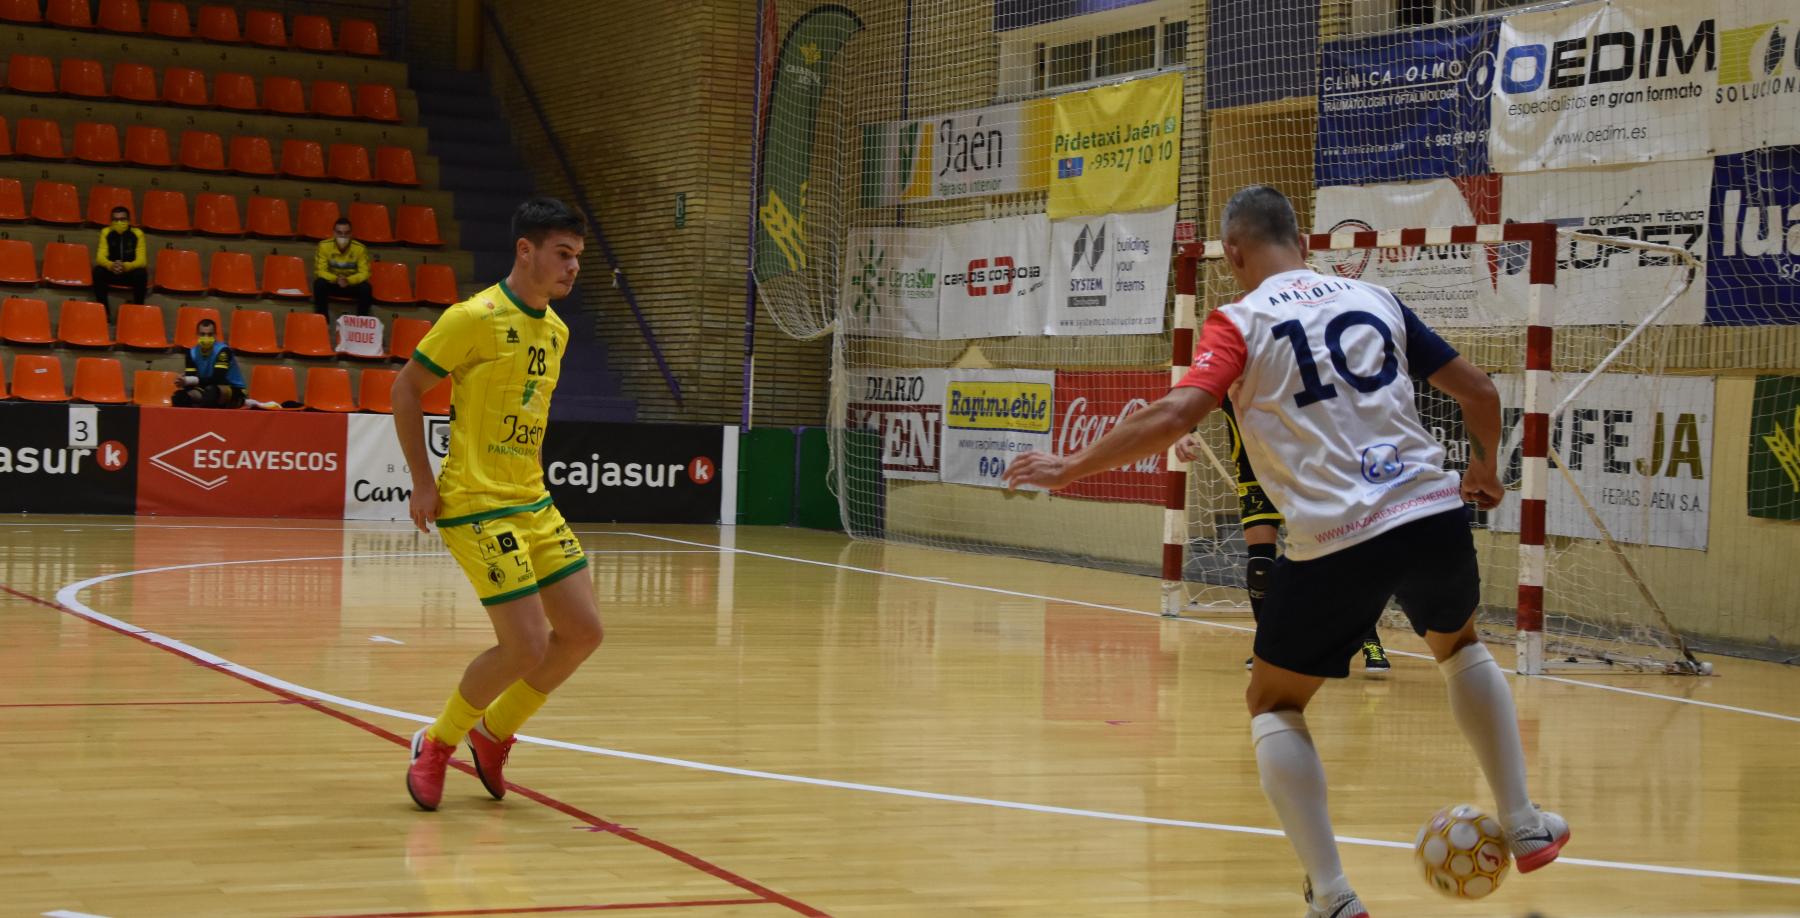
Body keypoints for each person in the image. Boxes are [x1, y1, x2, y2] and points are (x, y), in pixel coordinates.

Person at [1004, 185, 1568, 917]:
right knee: (1459, 646)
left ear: (1234, 253)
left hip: (1338, 538)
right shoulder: (1377, 299)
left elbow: (1176, 412)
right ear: (1302, 243)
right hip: (1432, 513)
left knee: (1272, 701)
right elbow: (1480, 390)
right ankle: (1523, 823)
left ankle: (1332, 895)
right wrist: (1485, 469)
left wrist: (1069, 466)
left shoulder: (1240, 321)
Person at [391, 197, 602, 811]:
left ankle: (494, 733)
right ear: (525, 250)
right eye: (563, 253)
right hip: (475, 502)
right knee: (526, 645)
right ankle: (437, 743)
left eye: (578, 256)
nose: (573, 266)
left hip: (532, 500)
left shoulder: (557, 330)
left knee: (583, 632)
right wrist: (422, 481)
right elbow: (406, 388)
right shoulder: (473, 317)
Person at [1175, 400, 1390, 674]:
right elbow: (1189, 396)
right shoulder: (1230, 377)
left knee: (1337, 560)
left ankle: (1369, 639)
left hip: (1306, 474)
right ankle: (1268, 649)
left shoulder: (1291, 376)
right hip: (1255, 477)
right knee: (1260, 568)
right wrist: (1184, 431)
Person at [171, 318, 245, 408]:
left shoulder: (223, 351)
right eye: (202, 334)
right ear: (197, 335)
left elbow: (218, 379)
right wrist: (183, 382)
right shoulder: (191, 353)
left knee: (212, 392)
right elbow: (190, 382)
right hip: (205, 388)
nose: (206, 338)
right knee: (180, 397)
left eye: (210, 334)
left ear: (215, 335)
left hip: (232, 389)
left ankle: (244, 402)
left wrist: (190, 380)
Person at [92, 205, 149, 319]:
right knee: (98, 271)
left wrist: (126, 266)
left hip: (129, 273)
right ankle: (104, 313)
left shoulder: (137, 233)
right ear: (111, 221)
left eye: (122, 219)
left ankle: (138, 312)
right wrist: (111, 265)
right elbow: (100, 257)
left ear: (128, 220)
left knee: (141, 273)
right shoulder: (106, 232)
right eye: (115, 219)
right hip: (112, 271)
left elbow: (142, 260)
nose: (119, 222)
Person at [313, 217, 374, 318]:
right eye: (339, 233)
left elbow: (365, 273)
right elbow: (320, 271)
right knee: (319, 284)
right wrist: (336, 279)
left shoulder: (360, 249)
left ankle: (361, 321)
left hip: (350, 285)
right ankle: (323, 320)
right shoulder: (324, 246)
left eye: (346, 233)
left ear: (351, 234)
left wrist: (349, 280)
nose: (343, 236)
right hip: (333, 283)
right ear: (334, 233)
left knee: (366, 288)